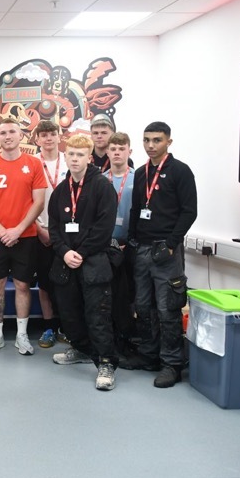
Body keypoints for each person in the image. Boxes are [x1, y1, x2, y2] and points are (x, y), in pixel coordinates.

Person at [123, 121, 197, 388]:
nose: (151, 145)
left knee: (168, 308)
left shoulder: (180, 171)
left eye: (157, 140)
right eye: (146, 140)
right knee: (142, 306)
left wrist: (171, 243)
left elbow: (189, 211)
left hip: (166, 250)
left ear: (169, 142)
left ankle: (171, 364)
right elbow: (135, 209)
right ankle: (149, 355)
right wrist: (131, 239)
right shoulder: (141, 173)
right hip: (141, 248)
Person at [49, 134, 119, 391]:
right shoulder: (60, 191)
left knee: (97, 315)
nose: (75, 159)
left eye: (80, 155)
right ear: (65, 156)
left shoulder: (102, 186)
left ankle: (106, 363)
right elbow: (54, 227)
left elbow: (104, 226)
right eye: (71, 154)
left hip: (94, 262)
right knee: (69, 313)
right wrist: (65, 251)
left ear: (89, 158)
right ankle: (80, 349)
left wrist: (82, 252)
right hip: (66, 262)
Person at [0, 118, 46, 355]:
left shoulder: (34, 164)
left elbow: (38, 202)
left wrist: (17, 229)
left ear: (21, 135)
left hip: (25, 235)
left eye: (12, 131)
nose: (7, 136)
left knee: (22, 285)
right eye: (3, 132)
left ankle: (22, 335)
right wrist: (3, 230)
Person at [32, 120, 68, 348]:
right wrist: (39, 230)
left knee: (67, 283)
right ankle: (48, 328)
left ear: (59, 135)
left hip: (67, 235)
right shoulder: (31, 163)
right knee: (45, 284)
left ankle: (67, 326)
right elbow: (25, 201)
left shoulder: (69, 160)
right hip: (40, 231)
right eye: (43, 135)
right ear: (37, 139)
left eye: (51, 134)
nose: (48, 138)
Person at [102, 132, 137, 354]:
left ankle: (128, 338)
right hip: (105, 246)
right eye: (113, 149)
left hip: (130, 244)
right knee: (108, 294)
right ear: (107, 152)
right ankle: (110, 337)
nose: (117, 152)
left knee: (129, 293)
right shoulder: (100, 179)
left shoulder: (139, 178)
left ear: (129, 152)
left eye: (121, 148)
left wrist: (131, 241)